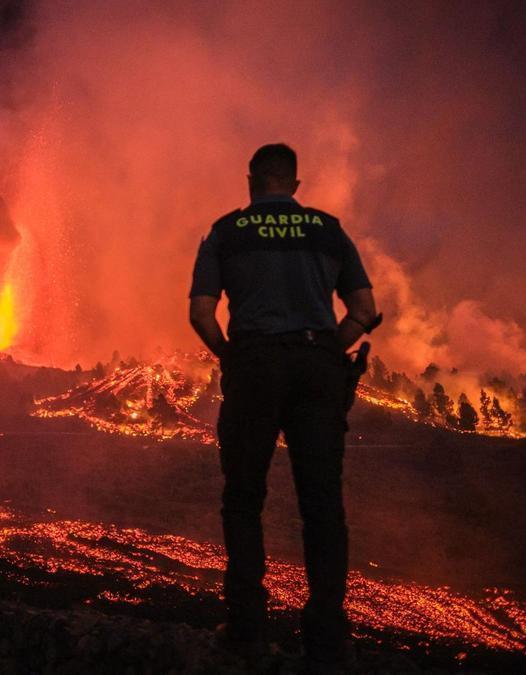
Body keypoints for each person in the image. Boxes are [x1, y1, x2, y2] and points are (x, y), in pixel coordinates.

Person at [188, 143, 379, 670]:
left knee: (244, 498)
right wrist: (328, 350)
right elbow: (364, 309)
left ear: (251, 180)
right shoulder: (327, 229)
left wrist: (231, 355)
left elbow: (202, 313)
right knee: (322, 505)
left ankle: (246, 630)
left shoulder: (227, 231)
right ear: (294, 186)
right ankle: (326, 641)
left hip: (254, 365)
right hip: (318, 366)